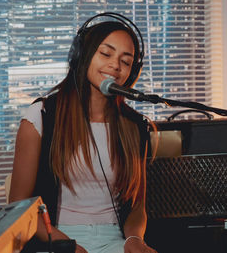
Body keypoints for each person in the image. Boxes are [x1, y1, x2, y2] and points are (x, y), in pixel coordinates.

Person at [9, 13, 157, 253]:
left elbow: (137, 208)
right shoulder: (41, 117)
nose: (115, 66)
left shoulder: (135, 126)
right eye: (106, 54)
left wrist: (134, 240)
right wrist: (67, 246)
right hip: (56, 239)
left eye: (126, 61)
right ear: (81, 55)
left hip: (115, 240)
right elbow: (19, 207)